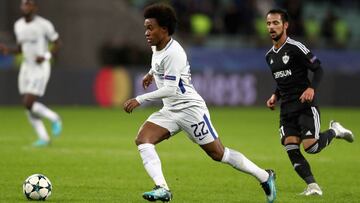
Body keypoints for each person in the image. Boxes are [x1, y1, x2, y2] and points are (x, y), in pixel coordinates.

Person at [123, 3, 276, 203]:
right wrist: (150, 74)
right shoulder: (156, 46)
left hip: (190, 110)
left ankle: (265, 176)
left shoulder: (175, 52)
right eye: (146, 27)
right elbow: (158, 63)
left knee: (218, 154)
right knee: (143, 139)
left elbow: (171, 89)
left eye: (150, 28)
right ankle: (162, 188)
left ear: (164, 29)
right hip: (170, 110)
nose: (146, 32)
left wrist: (139, 99)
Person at [265, 9, 354, 196]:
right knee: (290, 147)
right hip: (286, 110)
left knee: (311, 147)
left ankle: (335, 130)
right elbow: (282, 81)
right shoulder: (269, 56)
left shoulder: (296, 47)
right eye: (269, 24)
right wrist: (275, 96)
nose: (271, 27)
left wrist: (311, 88)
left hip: (305, 106)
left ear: (285, 25)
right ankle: (313, 186)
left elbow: (318, 68)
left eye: (275, 23)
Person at [0, 0, 62, 147]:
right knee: (27, 105)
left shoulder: (44, 24)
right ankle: (44, 138)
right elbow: (21, 49)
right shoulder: (18, 25)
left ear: (35, 7)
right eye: (23, 4)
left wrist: (46, 56)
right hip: (26, 67)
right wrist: (7, 50)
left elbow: (58, 43)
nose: (26, 6)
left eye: (29, 4)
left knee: (28, 102)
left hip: (40, 68)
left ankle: (55, 118)